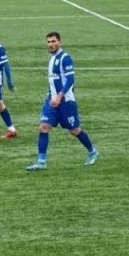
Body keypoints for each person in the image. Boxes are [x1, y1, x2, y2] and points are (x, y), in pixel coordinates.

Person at [25, 32, 99, 170]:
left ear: (60, 42)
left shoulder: (65, 58)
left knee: (75, 130)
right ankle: (41, 162)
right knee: (43, 127)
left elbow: (70, 79)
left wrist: (59, 96)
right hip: (51, 101)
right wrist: (52, 96)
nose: (51, 44)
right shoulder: (51, 58)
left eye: (53, 41)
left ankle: (92, 152)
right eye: (48, 42)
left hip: (66, 103)